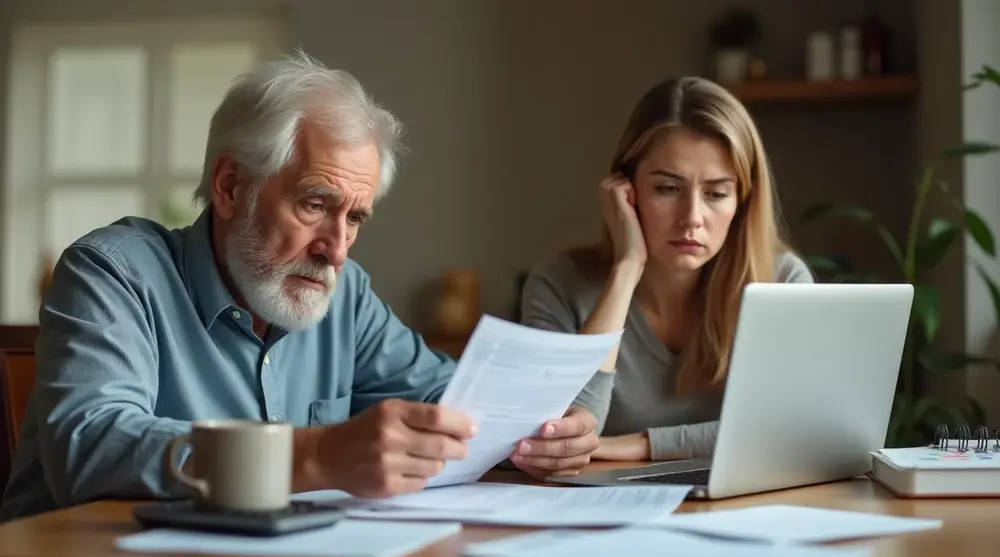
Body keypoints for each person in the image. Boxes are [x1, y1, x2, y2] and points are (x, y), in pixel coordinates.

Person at [0, 51, 597, 521]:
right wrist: (316, 455)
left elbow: (458, 405)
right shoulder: (114, 271)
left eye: (355, 218)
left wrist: (541, 432)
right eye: (316, 204)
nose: (336, 248)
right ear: (231, 188)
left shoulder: (346, 295)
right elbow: (90, 444)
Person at [519, 76, 813, 463]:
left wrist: (633, 446)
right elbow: (560, 437)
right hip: (601, 509)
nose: (692, 218)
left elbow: (792, 430)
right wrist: (627, 267)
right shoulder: (557, 285)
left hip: (743, 510)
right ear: (627, 190)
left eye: (716, 193)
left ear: (743, 201)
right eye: (668, 189)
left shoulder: (782, 283)